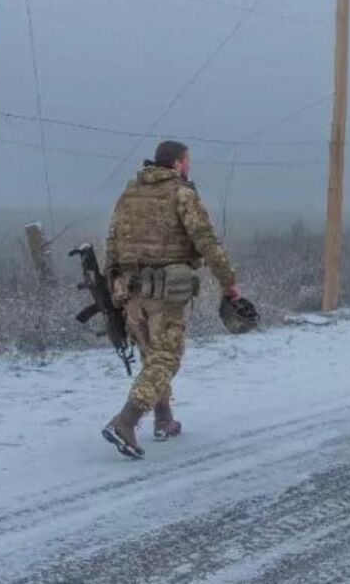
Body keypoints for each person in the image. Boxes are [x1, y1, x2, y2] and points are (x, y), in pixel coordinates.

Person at [100, 139, 241, 460]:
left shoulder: (129, 194)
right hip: (165, 292)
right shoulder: (181, 193)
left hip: (130, 290)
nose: (189, 166)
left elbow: (112, 241)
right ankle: (126, 421)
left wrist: (113, 286)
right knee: (166, 357)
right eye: (187, 161)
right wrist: (229, 283)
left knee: (152, 355)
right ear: (177, 163)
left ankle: (163, 419)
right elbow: (205, 241)